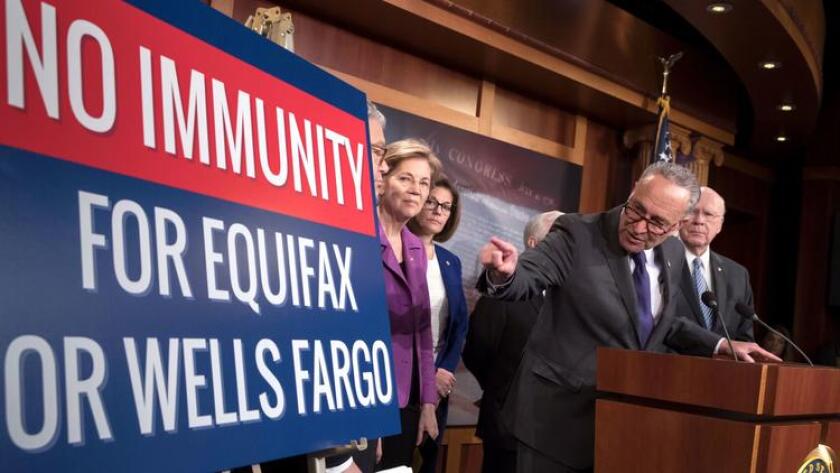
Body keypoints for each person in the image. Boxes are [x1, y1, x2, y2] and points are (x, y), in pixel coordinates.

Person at [477, 161, 779, 473]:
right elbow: (530, 274)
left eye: (657, 223)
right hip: (554, 424)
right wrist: (505, 275)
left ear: (677, 225)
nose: (638, 227)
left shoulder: (674, 255)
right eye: (636, 209)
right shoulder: (577, 232)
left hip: (625, 426)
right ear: (634, 188)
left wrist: (719, 345)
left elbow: (662, 321)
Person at [463, 210, 562, 473]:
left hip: (555, 437)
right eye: (559, 237)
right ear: (533, 243)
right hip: (507, 429)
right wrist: (505, 390)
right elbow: (477, 350)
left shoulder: (570, 297)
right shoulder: (503, 287)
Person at [376, 139, 441, 470]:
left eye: (424, 182)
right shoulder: (358, 235)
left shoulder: (416, 247)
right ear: (383, 178)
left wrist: (427, 401)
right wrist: (365, 411)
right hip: (366, 398)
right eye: (406, 178)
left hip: (407, 401)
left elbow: (423, 332)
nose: (417, 189)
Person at [407, 176, 469, 473]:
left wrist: (442, 371)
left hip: (439, 389)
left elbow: (459, 327)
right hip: (404, 384)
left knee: (426, 466)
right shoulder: (396, 250)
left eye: (445, 206)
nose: (437, 210)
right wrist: (428, 377)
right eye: (431, 202)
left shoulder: (451, 261)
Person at [676, 186, 755, 341]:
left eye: (708, 214)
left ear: (720, 224)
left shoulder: (738, 275)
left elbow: (744, 339)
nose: (699, 221)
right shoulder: (661, 261)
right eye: (692, 211)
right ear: (679, 217)